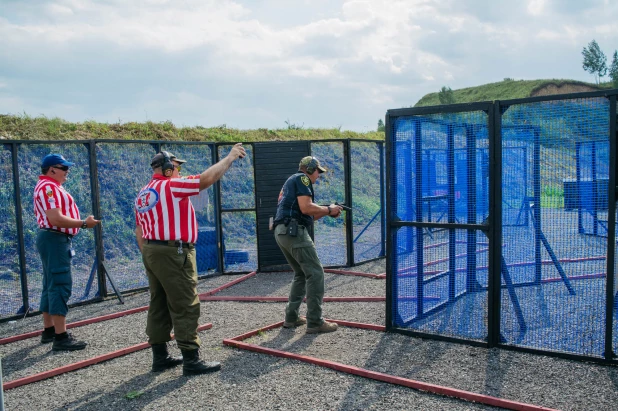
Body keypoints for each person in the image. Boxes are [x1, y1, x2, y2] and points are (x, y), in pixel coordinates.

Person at [134, 145, 246, 376]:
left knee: (159, 303)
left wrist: (149, 254)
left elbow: (139, 229)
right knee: (185, 303)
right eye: (176, 167)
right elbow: (205, 179)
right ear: (166, 169)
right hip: (174, 251)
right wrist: (230, 157)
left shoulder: (143, 193)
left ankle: (160, 357)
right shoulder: (171, 186)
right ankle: (191, 359)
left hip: (151, 250)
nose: (178, 171)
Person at [34, 153, 101, 351]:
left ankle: (49, 330)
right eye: (63, 168)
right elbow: (55, 218)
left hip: (52, 238)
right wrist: (83, 223)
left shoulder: (51, 186)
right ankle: (61, 336)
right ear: (52, 169)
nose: (67, 171)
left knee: (50, 283)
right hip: (54, 238)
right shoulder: (48, 188)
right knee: (60, 284)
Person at [273, 156, 343, 334]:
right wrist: (328, 209)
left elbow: (308, 215)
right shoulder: (302, 178)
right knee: (316, 273)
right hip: (293, 231)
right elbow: (306, 207)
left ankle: (292, 317)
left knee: (301, 274)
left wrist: (328, 211)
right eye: (318, 171)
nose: (318, 175)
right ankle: (315, 321)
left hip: (283, 231)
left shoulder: (291, 182)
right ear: (310, 169)